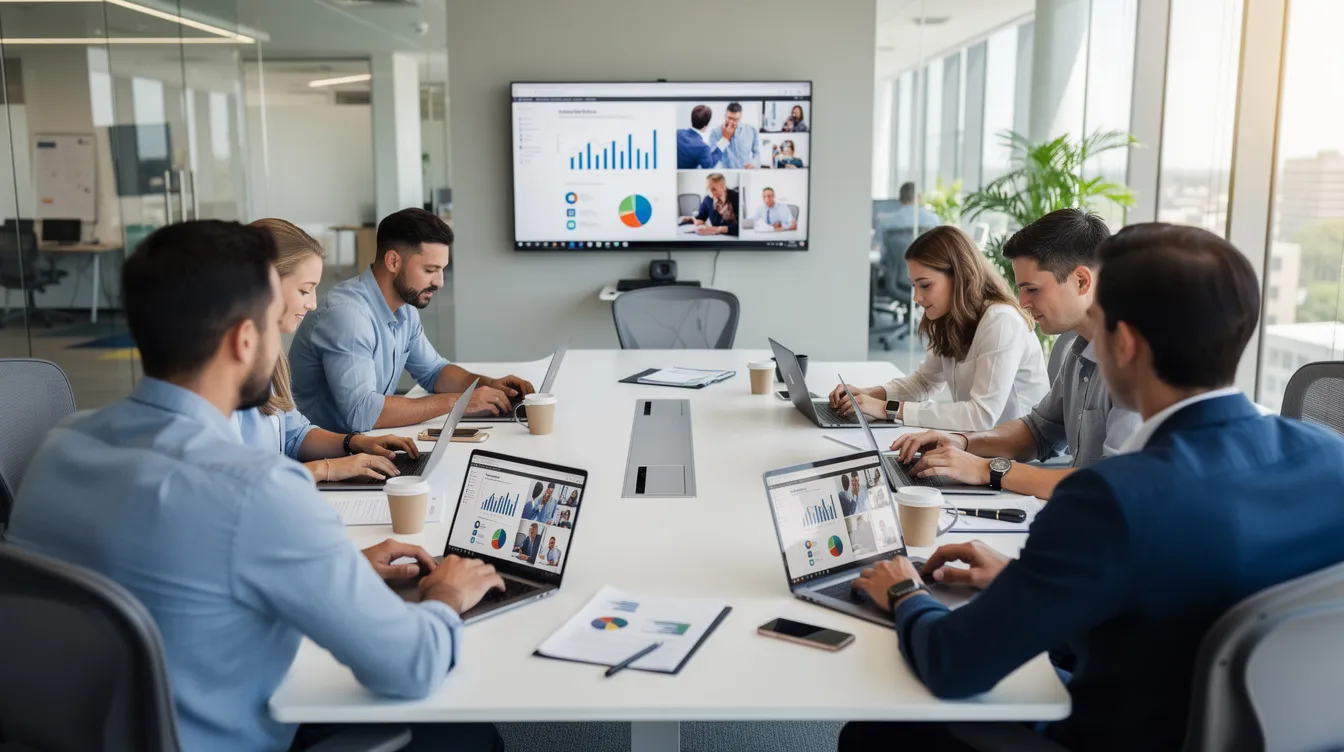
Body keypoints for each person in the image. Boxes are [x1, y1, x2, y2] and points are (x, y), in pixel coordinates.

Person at [6, 220, 508, 752]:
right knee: (473, 739)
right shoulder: (258, 490)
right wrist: (446, 594)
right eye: (275, 320)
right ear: (245, 340)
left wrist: (339, 573)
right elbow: (413, 664)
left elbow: (175, 580)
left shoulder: (58, 447)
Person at [842, 223, 1344, 752]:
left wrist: (903, 591)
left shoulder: (1110, 498)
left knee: (873, 733)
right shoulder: (1332, 457)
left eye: (1098, 325)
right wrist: (1023, 583)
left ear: (1123, 344)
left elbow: (952, 663)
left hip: (1110, 734)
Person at [889, 209, 1141, 499]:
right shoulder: (1078, 350)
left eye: (1032, 289)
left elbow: (1111, 483)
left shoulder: (1136, 365)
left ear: (1081, 281)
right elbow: (1037, 431)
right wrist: (962, 443)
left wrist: (988, 470)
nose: (1022, 302)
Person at [289, 208, 533, 433]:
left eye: (442, 269)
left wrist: (487, 386)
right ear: (393, 261)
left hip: (364, 442)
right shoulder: (348, 316)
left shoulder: (405, 309)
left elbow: (434, 372)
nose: (439, 282)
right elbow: (361, 413)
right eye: (430, 270)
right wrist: (458, 401)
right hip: (323, 460)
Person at [232, 218, 420, 484]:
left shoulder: (266, 354)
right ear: (264, 285)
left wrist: (355, 443)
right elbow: (233, 481)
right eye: (305, 290)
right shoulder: (225, 374)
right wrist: (326, 469)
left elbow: (294, 434)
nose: (312, 303)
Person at [831, 226, 1049, 431]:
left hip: (1014, 457)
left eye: (925, 285)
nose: (916, 297)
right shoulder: (951, 317)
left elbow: (981, 416)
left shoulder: (1001, 321)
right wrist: (868, 395)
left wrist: (887, 409)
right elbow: (924, 383)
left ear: (960, 278)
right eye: (913, 286)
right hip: (977, 444)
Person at [676, 104, 729, 170]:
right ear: (705, 126)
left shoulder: (678, 133)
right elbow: (709, 165)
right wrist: (724, 140)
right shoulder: (703, 148)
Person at [686, 173, 739, 237]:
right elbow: (700, 218)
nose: (711, 193)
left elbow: (741, 226)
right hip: (717, 238)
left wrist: (718, 229)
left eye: (714, 189)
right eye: (708, 188)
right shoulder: (707, 199)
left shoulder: (737, 197)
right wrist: (699, 223)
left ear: (723, 187)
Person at [718, 102, 760, 169]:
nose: (731, 122)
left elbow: (757, 154)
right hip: (724, 175)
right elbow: (712, 159)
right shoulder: (715, 132)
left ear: (740, 117)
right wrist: (725, 139)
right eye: (729, 118)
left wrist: (753, 164)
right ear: (725, 115)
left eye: (735, 120)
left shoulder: (752, 131)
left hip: (745, 174)